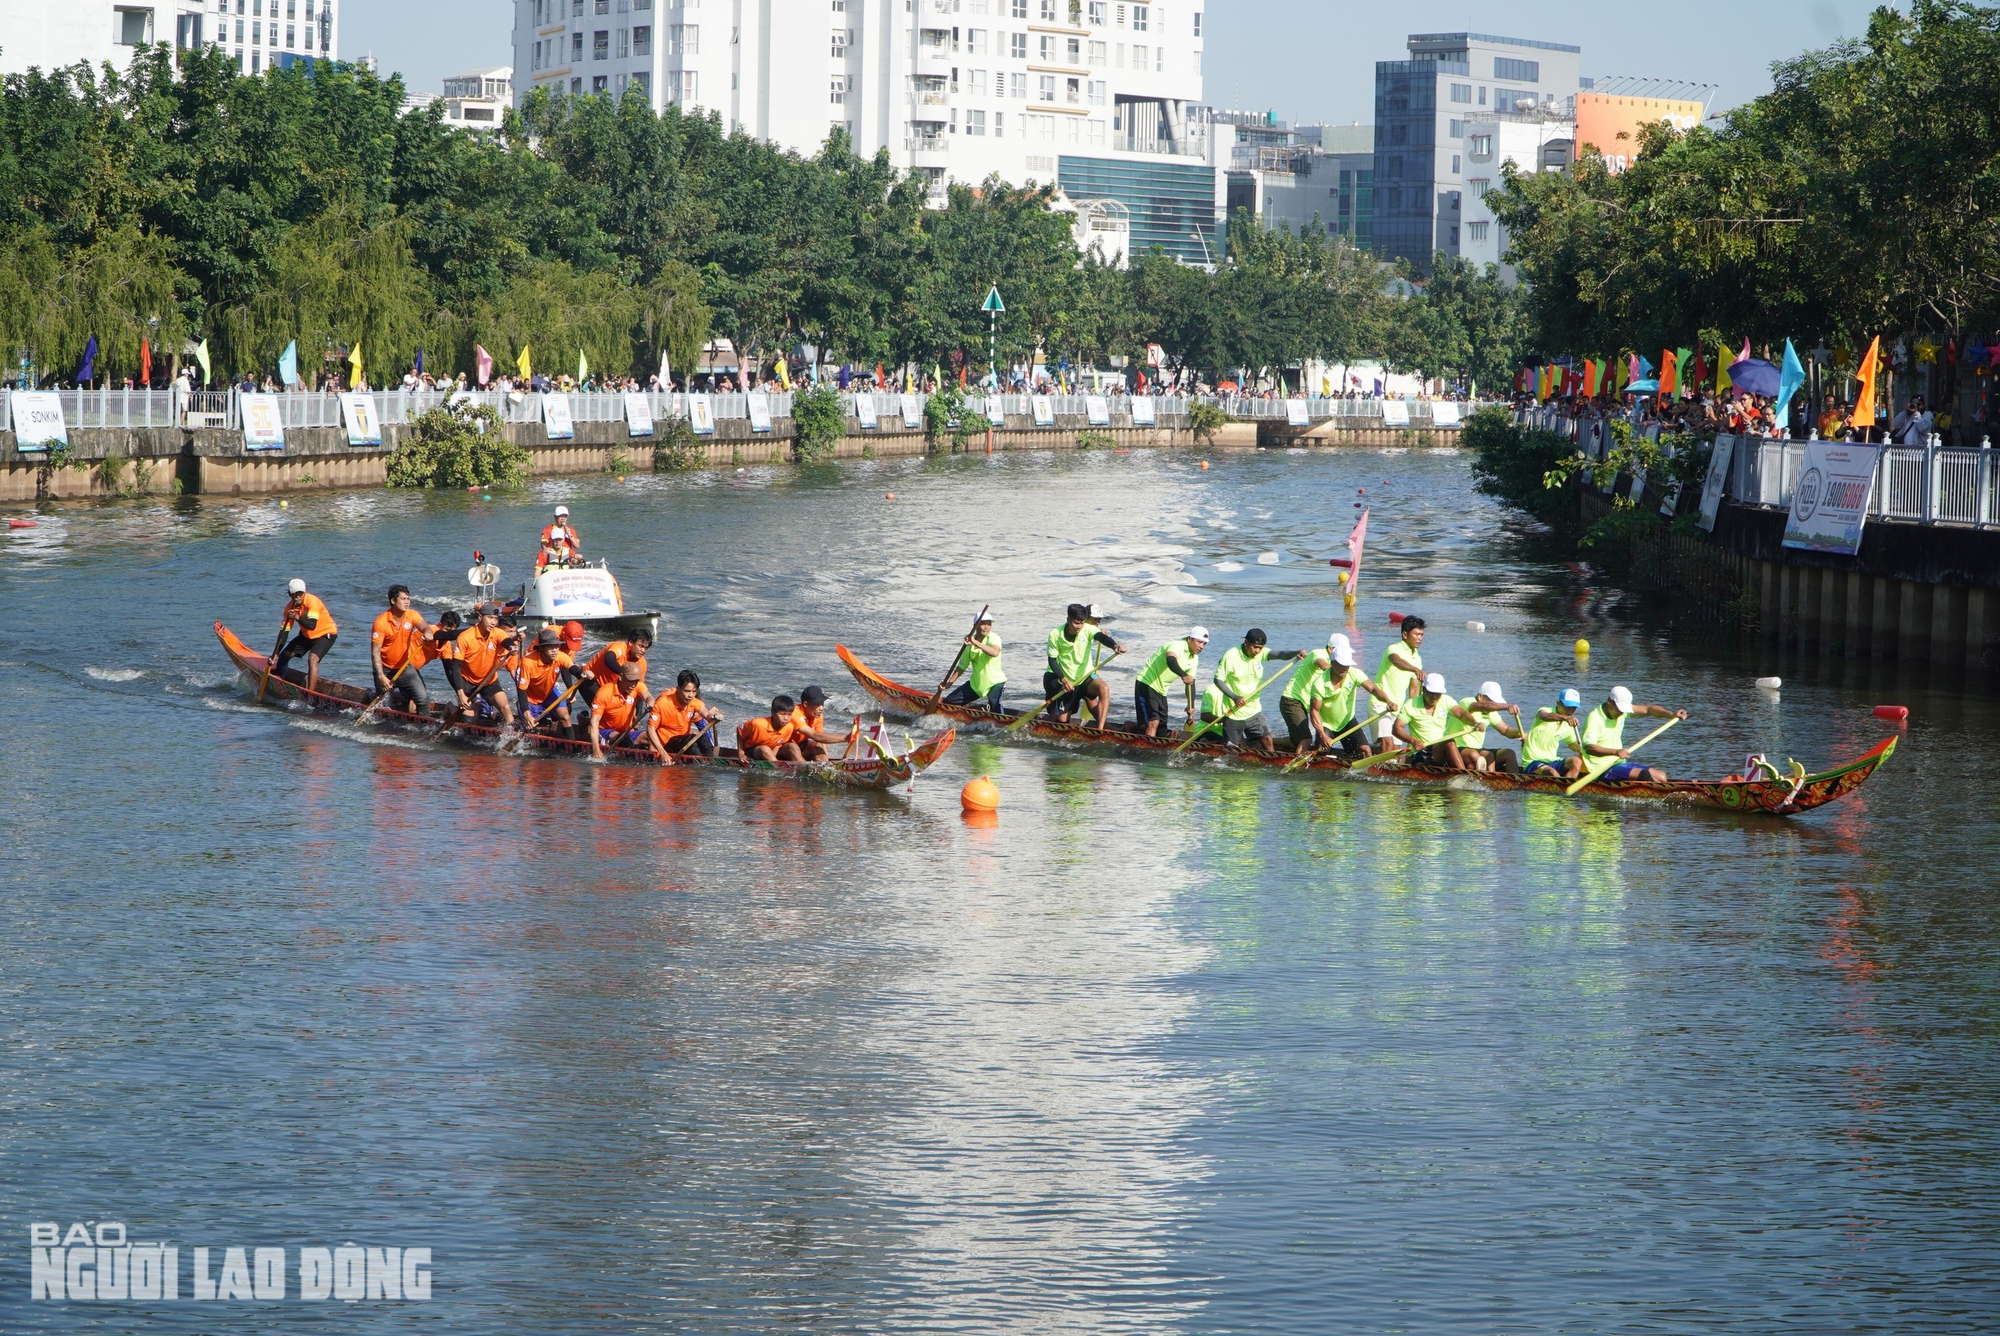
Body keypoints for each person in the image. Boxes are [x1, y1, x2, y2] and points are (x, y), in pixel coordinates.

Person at [1202, 628, 1303, 753]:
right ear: (1246, 642)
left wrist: (1295, 653)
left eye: (1261, 648)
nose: (1257, 651)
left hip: (1254, 711)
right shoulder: (1231, 656)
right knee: (1232, 751)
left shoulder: (1260, 653)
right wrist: (1235, 697)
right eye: (1255, 647)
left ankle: (1271, 763)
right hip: (1234, 713)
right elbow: (1218, 680)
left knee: (1267, 739)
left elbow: (1279, 654)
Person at [1579, 685, 1688, 782]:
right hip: (1600, 768)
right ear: (1610, 702)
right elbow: (1589, 748)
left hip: (1618, 763)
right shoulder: (1595, 719)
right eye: (1619, 709)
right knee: (1644, 775)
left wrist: (1671, 714)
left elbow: (1648, 709)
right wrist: (1615, 752)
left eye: (1623, 710)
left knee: (1662, 777)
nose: (1621, 713)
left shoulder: (1621, 711)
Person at [1305, 644, 1398, 757]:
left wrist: (1388, 701)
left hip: (1347, 721)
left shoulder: (1354, 673)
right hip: (1326, 725)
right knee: (1322, 754)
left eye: (1347, 665)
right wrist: (1323, 735)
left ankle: (1365, 772)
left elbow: (1372, 688)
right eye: (1342, 665)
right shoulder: (1319, 684)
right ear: (1332, 663)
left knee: (1365, 750)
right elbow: (1314, 711)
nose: (1345, 668)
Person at [441, 602, 522, 727]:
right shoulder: (465, 637)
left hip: (489, 680)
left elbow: (506, 641)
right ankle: (450, 708)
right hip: (467, 681)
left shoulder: (497, 633)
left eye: (495, 618)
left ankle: (509, 737)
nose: (493, 622)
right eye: (490, 618)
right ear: (480, 617)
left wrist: (512, 646)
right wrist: (460, 693)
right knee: (469, 721)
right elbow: (455, 666)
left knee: (505, 707)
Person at [1043, 603, 1124, 728]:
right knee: (1062, 722)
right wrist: (1064, 680)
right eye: (1076, 623)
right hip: (1065, 679)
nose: (1079, 627)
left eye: (1082, 623)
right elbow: (1052, 661)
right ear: (1068, 620)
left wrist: (1115, 646)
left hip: (1084, 676)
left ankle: (1100, 729)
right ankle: (1047, 721)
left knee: (1104, 689)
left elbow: (1102, 637)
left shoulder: (1087, 629)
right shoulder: (1055, 634)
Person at [1390, 672, 1485, 770]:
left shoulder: (1446, 700)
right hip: (1420, 750)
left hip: (1439, 750)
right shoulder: (1410, 705)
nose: (1434, 697)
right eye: (1431, 693)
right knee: (1449, 741)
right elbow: (1396, 729)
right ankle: (1463, 775)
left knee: (1471, 755)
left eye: (1438, 694)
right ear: (1423, 689)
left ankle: (1471, 776)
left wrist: (1475, 723)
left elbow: (1461, 714)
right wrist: (1413, 741)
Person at [1278, 631, 1349, 751]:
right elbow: (1324, 666)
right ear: (1331, 649)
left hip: (1304, 703)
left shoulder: (1336, 661)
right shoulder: (1318, 653)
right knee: (1306, 739)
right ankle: (1298, 768)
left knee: (1297, 740)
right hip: (1292, 701)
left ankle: (1269, 742)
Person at [368, 584, 433, 712]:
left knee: (423, 699)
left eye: (408, 599)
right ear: (393, 601)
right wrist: (381, 676)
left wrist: (428, 632)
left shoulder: (412, 615)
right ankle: (372, 696)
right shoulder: (381, 622)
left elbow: (425, 627)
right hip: (385, 669)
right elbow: (375, 651)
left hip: (405, 667)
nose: (407, 602)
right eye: (403, 599)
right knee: (386, 707)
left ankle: (423, 727)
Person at [1134, 626, 1207, 738]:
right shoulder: (1177, 645)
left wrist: (1190, 705)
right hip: (1146, 683)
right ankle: (1148, 753)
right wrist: (1183, 674)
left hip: (1162, 691)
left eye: (1204, 644)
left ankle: (1131, 727)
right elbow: (1170, 660)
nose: (1202, 647)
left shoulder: (1194, 659)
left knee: (1161, 730)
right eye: (1199, 642)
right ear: (1189, 639)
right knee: (1153, 721)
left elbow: (1191, 683)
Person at [274, 578, 339, 694]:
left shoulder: (312, 602)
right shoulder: (290, 608)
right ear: (289, 594)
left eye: (300, 594)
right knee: (284, 655)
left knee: (312, 659)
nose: (297, 597)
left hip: (325, 634)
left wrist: (297, 617)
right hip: (307, 636)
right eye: (294, 594)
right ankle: (279, 682)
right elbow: (284, 632)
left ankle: (310, 694)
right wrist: (275, 653)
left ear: (304, 592)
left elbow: (311, 625)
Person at [589, 660, 661, 760]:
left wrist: (650, 702)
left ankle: (651, 761)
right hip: (605, 731)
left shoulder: (638, 686)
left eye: (636, 681)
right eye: (630, 681)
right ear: (621, 676)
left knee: (652, 737)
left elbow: (648, 696)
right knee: (623, 739)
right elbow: (594, 722)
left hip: (627, 731)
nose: (633, 685)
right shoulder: (604, 693)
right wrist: (596, 750)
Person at [514, 627, 580, 736]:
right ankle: (524, 715)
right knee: (530, 728)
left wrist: (581, 674)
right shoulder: (527, 661)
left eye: (556, 646)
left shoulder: (560, 656)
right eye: (550, 647)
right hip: (530, 698)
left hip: (549, 693)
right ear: (541, 649)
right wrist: (526, 713)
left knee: (565, 716)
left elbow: (571, 667)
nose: (554, 650)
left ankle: (570, 744)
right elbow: (522, 689)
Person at [1373, 616, 1426, 750]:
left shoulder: (1417, 658)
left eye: (1422, 635)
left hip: (1398, 708)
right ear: (1405, 634)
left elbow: (1414, 690)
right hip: (1380, 704)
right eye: (1417, 634)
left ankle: (1391, 769)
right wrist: (1414, 669)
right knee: (1388, 743)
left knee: (1397, 749)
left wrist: (1413, 714)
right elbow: (1396, 661)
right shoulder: (1393, 649)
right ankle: (1382, 770)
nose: (1420, 638)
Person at [940, 615, 1006, 712]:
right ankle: (975, 709)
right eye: (983, 624)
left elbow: (994, 652)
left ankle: (1000, 723)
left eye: (989, 624)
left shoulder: (994, 638)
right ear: (975, 625)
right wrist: (949, 683)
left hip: (995, 682)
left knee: (995, 707)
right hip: (977, 684)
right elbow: (961, 668)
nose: (986, 627)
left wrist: (975, 643)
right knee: (949, 702)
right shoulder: (968, 645)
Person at [1454, 681, 1524, 772]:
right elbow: (1483, 706)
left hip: (1478, 750)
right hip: (1458, 748)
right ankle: (1491, 781)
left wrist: (1522, 733)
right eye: (1492, 702)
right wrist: (1507, 707)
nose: (1494, 706)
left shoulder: (1491, 712)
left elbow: (1506, 730)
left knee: (1509, 753)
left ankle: (1516, 782)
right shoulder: (1466, 703)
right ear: (1480, 696)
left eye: (1495, 702)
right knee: (1481, 755)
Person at [651, 670, 724, 756]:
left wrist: (714, 716)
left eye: (694, 691)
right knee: (691, 740)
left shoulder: (694, 702)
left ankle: (711, 763)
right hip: (666, 745)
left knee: (703, 738)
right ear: (678, 689)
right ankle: (701, 764)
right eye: (687, 691)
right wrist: (662, 753)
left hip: (684, 742)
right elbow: (650, 728)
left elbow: (707, 715)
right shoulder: (662, 703)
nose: (691, 695)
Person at [1520, 688, 1587, 779]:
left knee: (1576, 762)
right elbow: (1544, 716)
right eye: (1568, 707)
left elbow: (1573, 745)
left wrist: (1583, 749)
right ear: (1558, 703)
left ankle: (1566, 788)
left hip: (1552, 761)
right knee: (1552, 772)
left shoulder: (1569, 725)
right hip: (1532, 761)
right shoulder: (1545, 711)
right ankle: (1561, 788)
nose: (1570, 712)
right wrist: (1565, 718)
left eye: (1574, 708)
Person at [582, 627, 652, 709]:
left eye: (646, 648)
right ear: (631, 643)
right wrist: (625, 674)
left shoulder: (642, 664)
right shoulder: (619, 647)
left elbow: (639, 687)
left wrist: (638, 712)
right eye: (641, 646)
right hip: (590, 679)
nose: (643, 650)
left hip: (610, 688)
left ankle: (583, 719)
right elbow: (609, 659)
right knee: (607, 712)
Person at [737, 695, 804, 762]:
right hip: (752, 750)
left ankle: (804, 766)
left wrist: (771, 757)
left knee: (793, 746)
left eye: (789, 714)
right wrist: (741, 753)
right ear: (773, 713)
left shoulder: (789, 727)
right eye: (782, 714)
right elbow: (740, 730)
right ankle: (778, 768)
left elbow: (778, 745)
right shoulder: (757, 724)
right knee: (764, 749)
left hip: (770, 752)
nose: (786, 718)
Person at [789, 686, 839, 760]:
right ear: (805, 704)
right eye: (817, 704)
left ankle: (826, 767)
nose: (821, 708)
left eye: (822, 704)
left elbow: (821, 739)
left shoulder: (818, 715)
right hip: (785, 747)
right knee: (793, 747)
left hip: (802, 745)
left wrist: (826, 757)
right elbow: (815, 736)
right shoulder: (794, 713)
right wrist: (846, 738)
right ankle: (804, 768)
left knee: (817, 745)